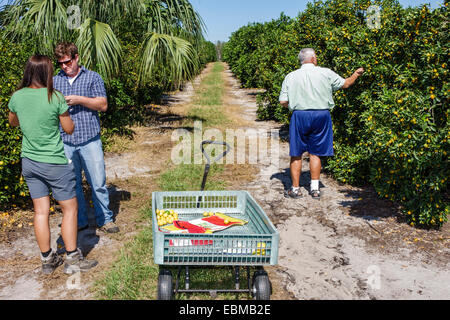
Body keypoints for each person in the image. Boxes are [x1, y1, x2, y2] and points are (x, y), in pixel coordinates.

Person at [8, 55, 98, 274]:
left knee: (41, 212)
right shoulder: (54, 97)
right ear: (45, 73)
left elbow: (13, 121)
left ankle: (47, 259)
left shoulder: (17, 96)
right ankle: (72, 259)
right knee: (70, 209)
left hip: (29, 161)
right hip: (55, 162)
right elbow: (69, 129)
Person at [279, 48, 364, 200]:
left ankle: (295, 189)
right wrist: (356, 74)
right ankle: (315, 189)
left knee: (296, 153)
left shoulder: (291, 76)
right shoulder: (326, 72)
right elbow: (346, 84)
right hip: (321, 115)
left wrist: (295, 106)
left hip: (300, 115)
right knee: (315, 152)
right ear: (313, 59)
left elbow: (283, 101)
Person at [53, 42, 119, 233]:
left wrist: (79, 100)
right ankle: (79, 221)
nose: (64, 66)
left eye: (67, 62)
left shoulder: (92, 77)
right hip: (65, 141)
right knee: (72, 185)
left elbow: (103, 104)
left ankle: (105, 219)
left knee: (97, 182)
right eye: (61, 64)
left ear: (76, 58)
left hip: (90, 139)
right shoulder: (55, 80)